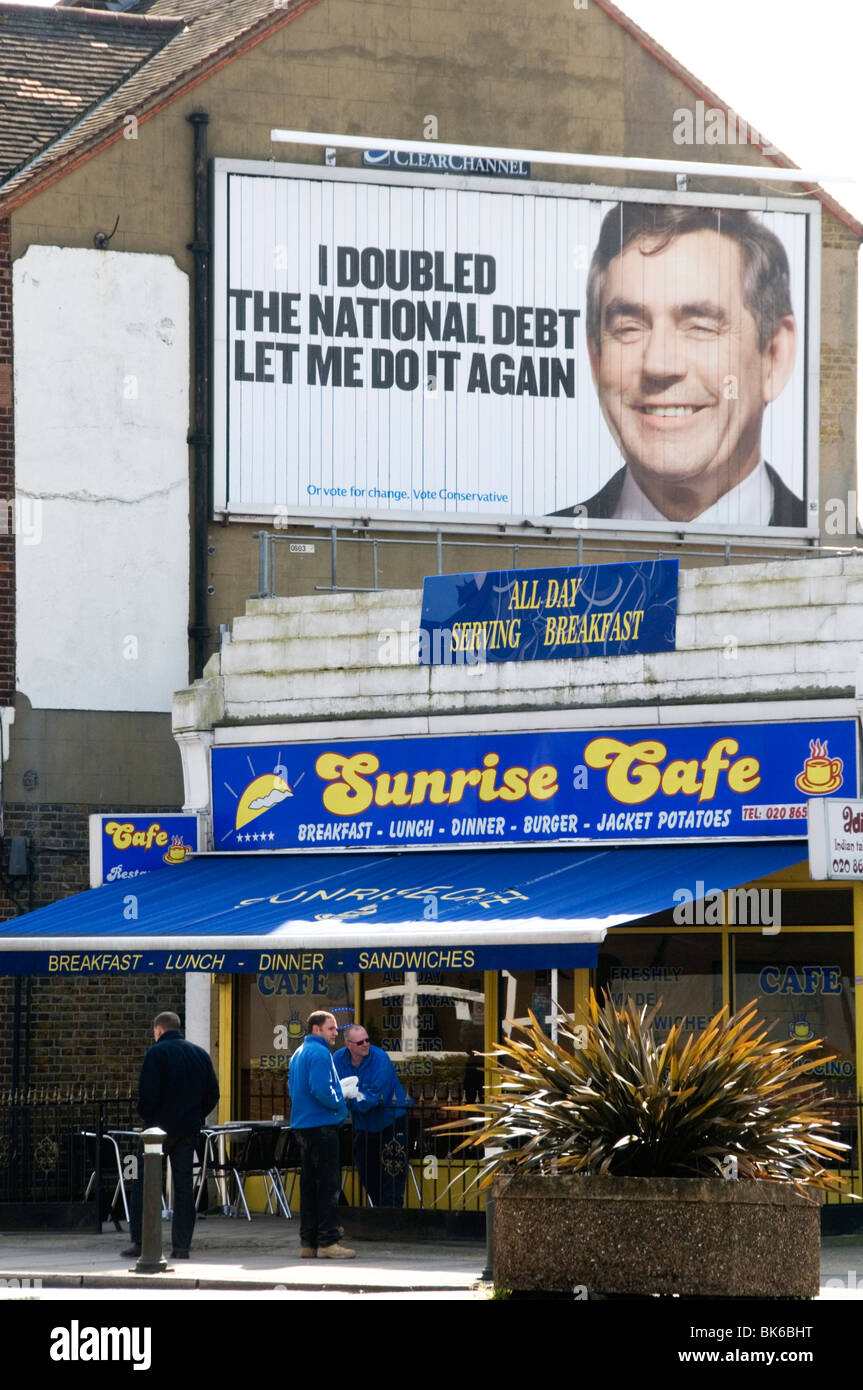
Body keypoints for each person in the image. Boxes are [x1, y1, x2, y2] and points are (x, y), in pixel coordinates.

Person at [553, 203, 803, 528]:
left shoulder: (840, 561)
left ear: (774, 356)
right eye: (629, 328)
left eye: (700, 326)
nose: (659, 364)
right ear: (595, 359)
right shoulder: (523, 565)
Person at [122, 1010, 219, 1260]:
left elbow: (148, 1093)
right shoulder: (200, 1054)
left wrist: (148, 1117)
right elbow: (213, 1094)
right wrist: (196, 1116)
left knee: (145, 1184)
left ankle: (142, 1242)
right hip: (188, 1130)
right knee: (184, 1187)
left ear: (158, 1030)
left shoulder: (157, 1053)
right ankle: (181, 1246)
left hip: (157, 1132)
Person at [287, 1010, 355, 1258]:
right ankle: (328, 1242)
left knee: (309, 1186)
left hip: (303, 1125)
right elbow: (321, 1089)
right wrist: (340, 1104)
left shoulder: (298, 1053)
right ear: (317, 1029)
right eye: (331, 1028)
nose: (336, 1032)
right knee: (328, 1185)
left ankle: (308, 1243)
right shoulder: (319, 1052)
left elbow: (294, 1089)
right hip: (321, 1125)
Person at [333, 1024, 412, 1209]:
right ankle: (380, 1211)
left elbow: (374, 1097)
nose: (366, 1044)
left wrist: (349, 1101)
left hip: (391, 1120)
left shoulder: (380, 1058)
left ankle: (391, 1215)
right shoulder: (338, 1059)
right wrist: (348, 1099)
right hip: (363, 1125)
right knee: (366, 1171)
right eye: (360, 1042)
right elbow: (336, 1090)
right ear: (348, 1044)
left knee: (393, 1171)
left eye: (368, 1040)